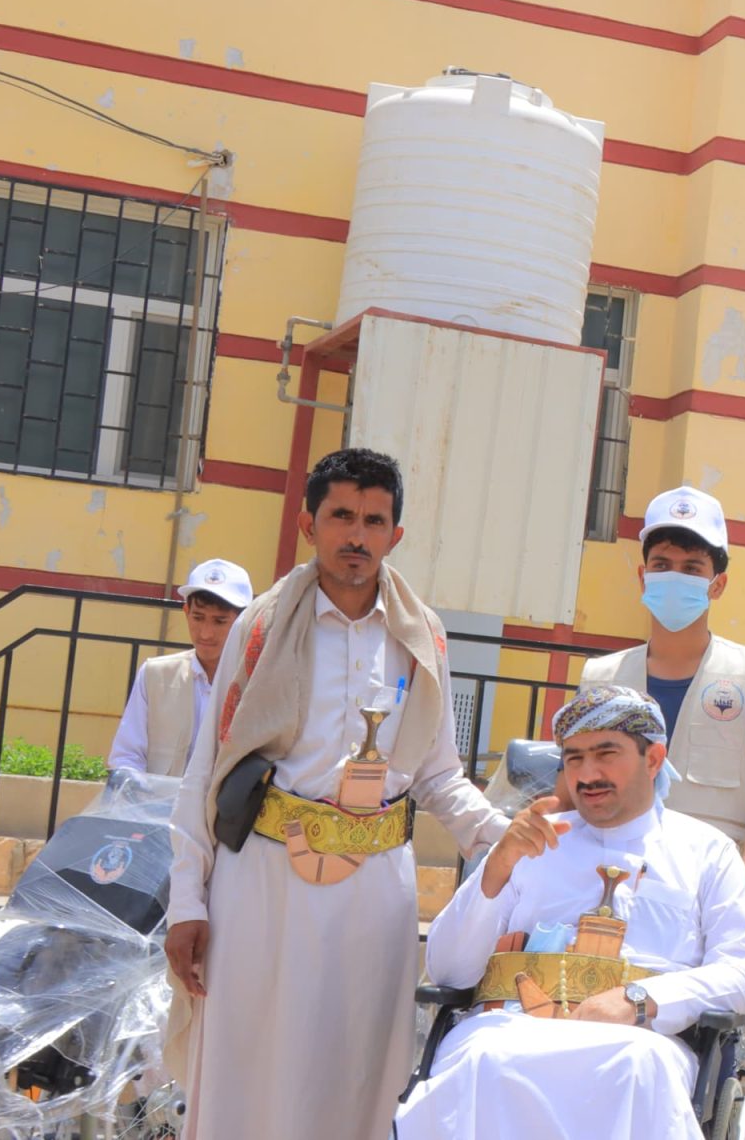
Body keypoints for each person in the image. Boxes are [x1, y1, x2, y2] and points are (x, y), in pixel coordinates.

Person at [165, 449, 511, 1140]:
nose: (357, 535)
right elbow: (208, 766)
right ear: (309, 524)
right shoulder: (261, 626)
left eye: (374, 521)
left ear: (395, 535)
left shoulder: (422, 636)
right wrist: (186, 901)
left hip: (374, 892)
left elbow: (438, 773)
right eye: (342, 516)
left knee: (358, 1071)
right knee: (250, 1066)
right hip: (263, 885)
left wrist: (506, 840)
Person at [393, 685, 745, 1139]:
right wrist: (495, 869)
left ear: (653, 759)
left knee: (636, 1067)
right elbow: (448, 971)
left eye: (605, 754)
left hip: (641, 1041)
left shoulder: (706, 852)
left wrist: (638, 1001)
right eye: (573, 759)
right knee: (484, 1058)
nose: (587, 774)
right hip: (509, 1027)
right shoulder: (528, 843)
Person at [579, 486, 745, 886]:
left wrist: (735, 893)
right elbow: (570, 789)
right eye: (662, 565)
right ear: (643, 577)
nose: (674, 577)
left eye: (692, 568)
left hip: (712, 885)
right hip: (610, 887)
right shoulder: (600, 679)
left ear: (718, 584)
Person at [109, 559, 253, 777]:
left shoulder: (257, 684)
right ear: (186, 612)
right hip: (157, 800)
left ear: (244, 620)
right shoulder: (154, 675)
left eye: (220, 621)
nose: (206, 633)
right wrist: (136, 787)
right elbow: (126, 757)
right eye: (198, 617)